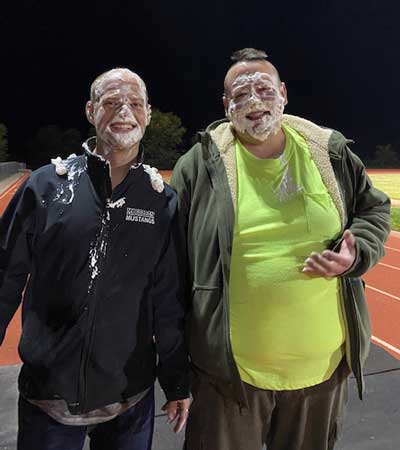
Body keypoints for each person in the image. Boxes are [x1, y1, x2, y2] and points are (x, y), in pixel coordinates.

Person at [170, 48, 391, 450]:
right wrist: (174, 369)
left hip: (321, 375)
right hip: (228, 379)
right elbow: (172, 269)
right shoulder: (198, 166)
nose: (254, 102)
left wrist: (355, 254)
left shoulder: (330, 152)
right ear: (225, 105)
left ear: (284, 93)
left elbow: (374, 209)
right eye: (240, 95)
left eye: (263, 89)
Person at [0, 68, 190, 450]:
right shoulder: (45, 185)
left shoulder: (161, 201)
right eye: (111, 102)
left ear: (148, 114)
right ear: (90, 110)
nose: (125, 111)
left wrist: (176, 381)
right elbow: (5, 276)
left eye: (135, 103)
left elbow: (168, 300)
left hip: (129, 400)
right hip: (47, 396)